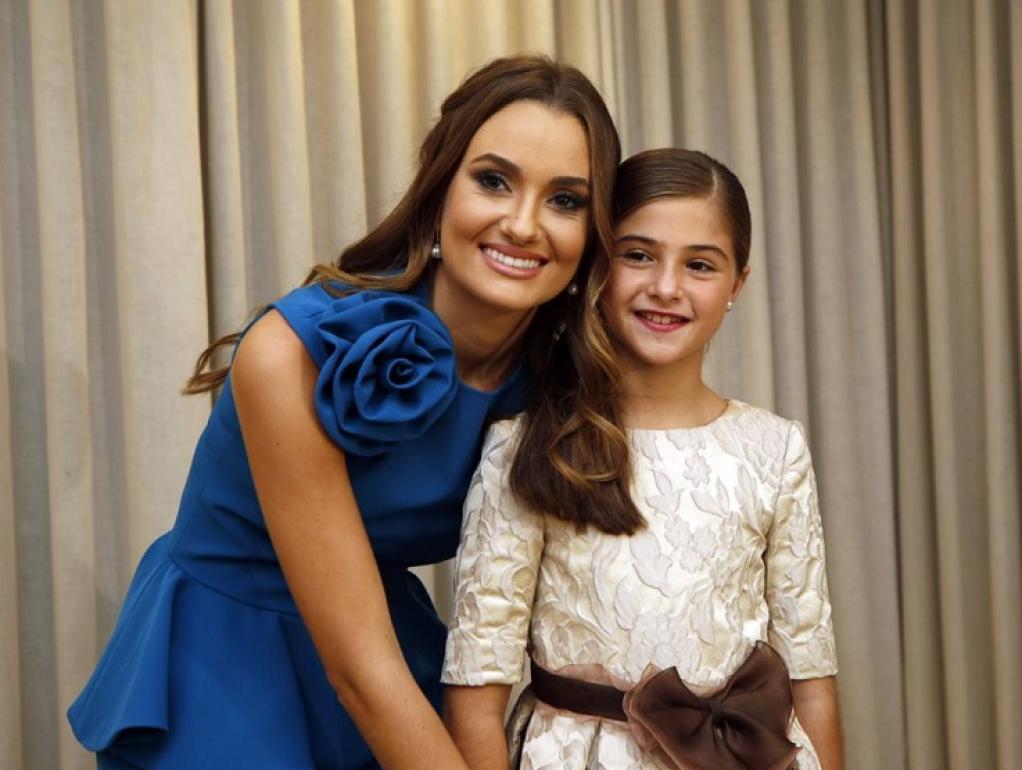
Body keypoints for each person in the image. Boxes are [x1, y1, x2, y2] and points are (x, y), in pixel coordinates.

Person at [67, 55, 622, 770]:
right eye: (493, 181)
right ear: (439, 190)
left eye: (566, 200)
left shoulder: (554, 385)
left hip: (382, 649)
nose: (522, 224)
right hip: (227, 660)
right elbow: (361, 675)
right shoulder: (291, 353)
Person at [440, 148, 844, 770]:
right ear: (597, 266)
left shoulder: (774, 447)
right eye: (638, 255)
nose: (665, 287)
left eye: (700, 265)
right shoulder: (526, 446)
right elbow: (476, 682)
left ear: (738, 284)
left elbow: (809, 670)